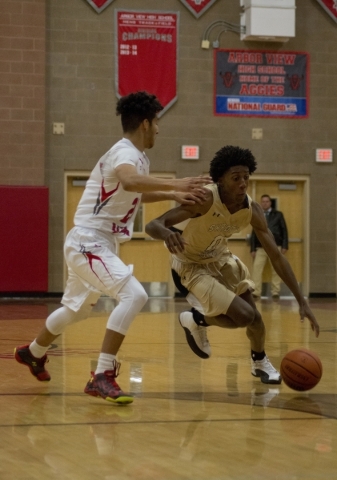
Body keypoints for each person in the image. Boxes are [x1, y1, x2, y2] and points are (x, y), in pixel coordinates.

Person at [14, 91, 211, 405]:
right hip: (88, 241)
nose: (159, 130)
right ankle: (102, 375)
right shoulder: (125, 153)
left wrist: (172, 196)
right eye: (157, 122)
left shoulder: (137, 157)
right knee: (135, 294)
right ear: (146, 123)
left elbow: (133, 193)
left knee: (75, 311)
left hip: (96, 242)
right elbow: (130, 181)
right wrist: (176, 185)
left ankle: (32, 353)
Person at [145, 145, 320, 385]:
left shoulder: (251, 209)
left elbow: (276, 257)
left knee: (255, 319)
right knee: (245, 316)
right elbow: (153, 224)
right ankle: (196, 318)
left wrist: (301, 300)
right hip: (191, 265)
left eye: (246, 177)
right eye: (236, 178)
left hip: (221, 259)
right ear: (220, 180)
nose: (243, 183)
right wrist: (166, 234)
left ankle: (258, 361)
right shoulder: (205, 199)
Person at [250, 194, 288, 299]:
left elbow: (284, 230)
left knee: (276, 270)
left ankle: (275, 292)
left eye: (267, 201)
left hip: (276, 246)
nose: (265, 203)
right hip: (261, 247)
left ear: (270, 203)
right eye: (263, 202)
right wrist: (252, 249)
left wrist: (285, 245)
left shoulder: (278, 215)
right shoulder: (258, 215)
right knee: (256, 269)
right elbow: (254, 233)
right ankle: (256, 292)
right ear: (261, 203)